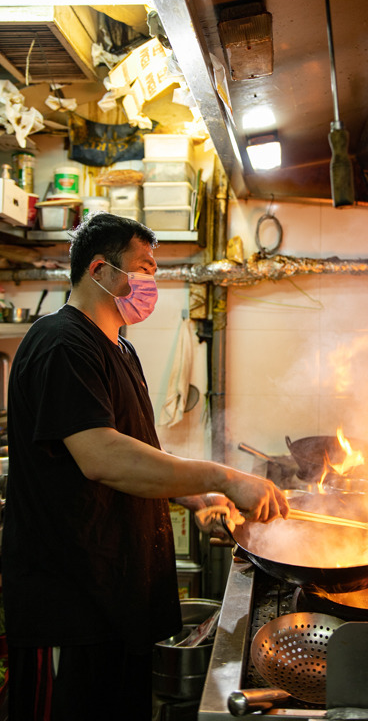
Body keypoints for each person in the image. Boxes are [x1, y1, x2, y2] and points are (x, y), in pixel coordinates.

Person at [2, 212, 288, 721]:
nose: (151, 282)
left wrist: (199, 499)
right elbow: (102, 457)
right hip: (71, 603)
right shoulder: (61, 345)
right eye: (143, 268)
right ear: (99, 270)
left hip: (118, 597)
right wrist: (222, 476)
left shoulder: (121, 349)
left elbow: (139, 453)